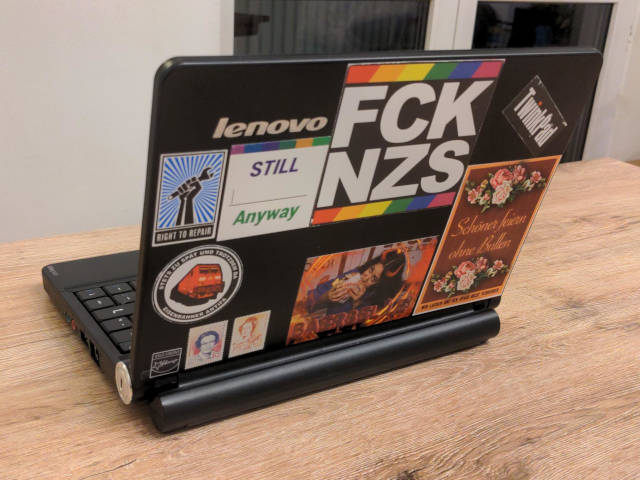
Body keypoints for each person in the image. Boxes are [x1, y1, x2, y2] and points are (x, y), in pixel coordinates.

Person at [306, 248, 406, 315]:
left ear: (380, 286)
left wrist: (355, 303)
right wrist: (327, 297)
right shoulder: (355, 274)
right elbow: (310, 299)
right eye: (370, 270)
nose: (365, 278)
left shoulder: (379, 301)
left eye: (374, 279)